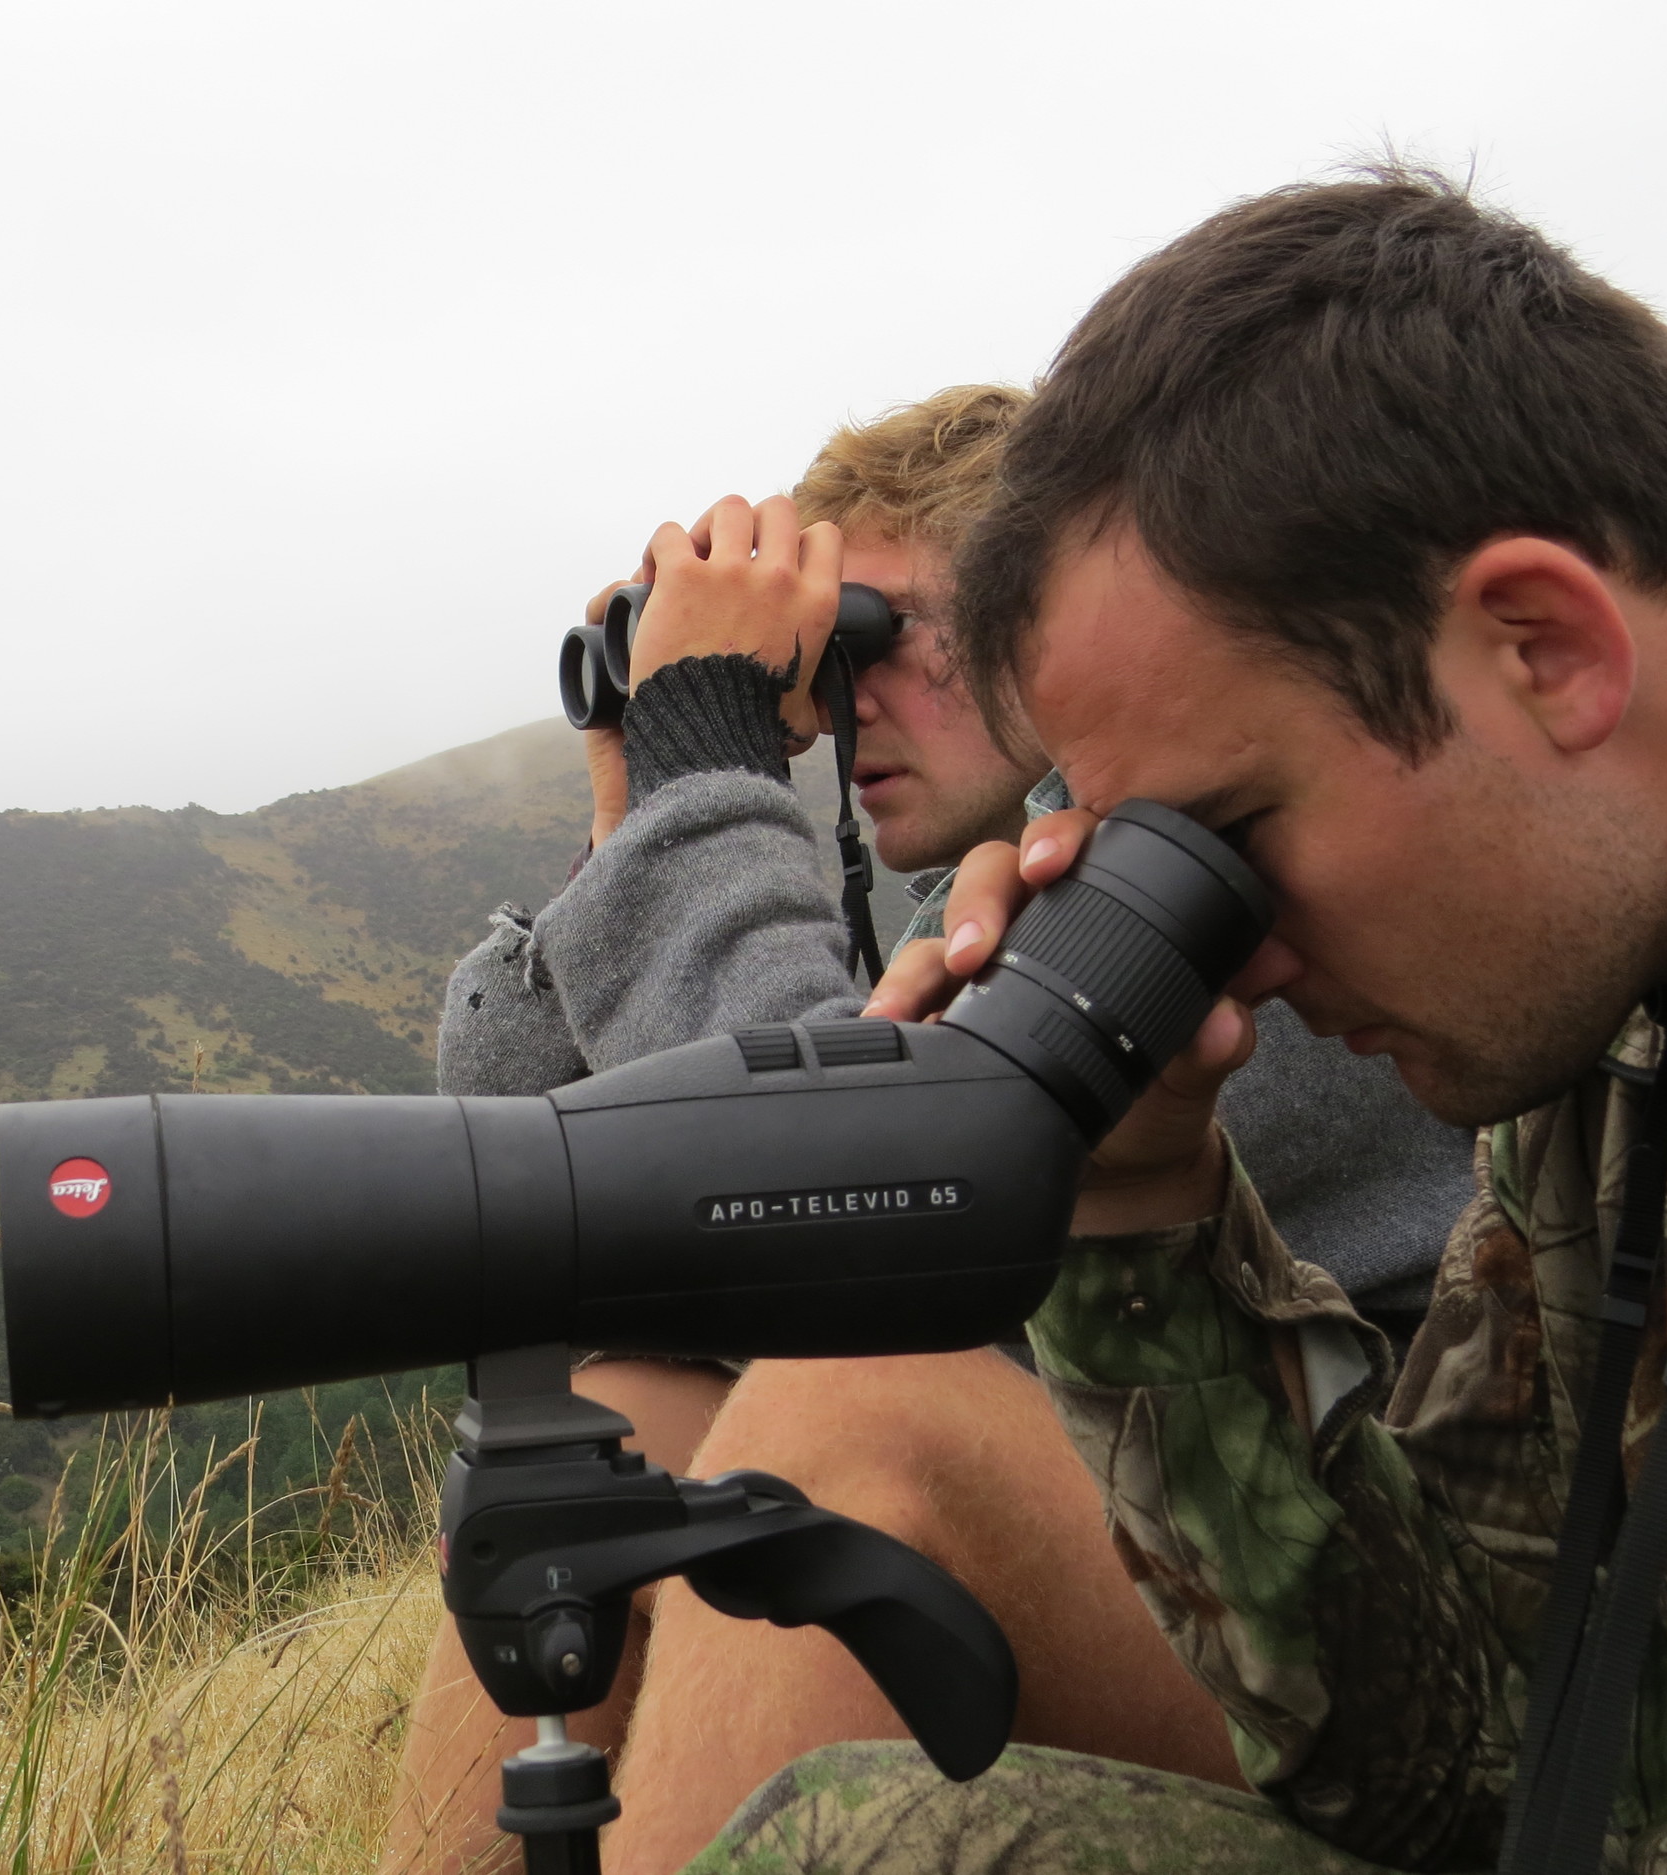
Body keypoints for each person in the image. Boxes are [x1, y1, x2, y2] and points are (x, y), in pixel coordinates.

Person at [677, 172, 1667, 1875]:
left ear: (1544, 648)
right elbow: (1446, 1759)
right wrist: (1139, 1199)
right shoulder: (1618, 1001)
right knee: (846, 1844)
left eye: (1230, 840)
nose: (1235, 967)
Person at [383, 387, 1476, 1875]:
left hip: (1393, 1590)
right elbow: (537, 1149)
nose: (841, 701)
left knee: (852, 1421)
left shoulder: (1178, 885)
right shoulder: (959, 907)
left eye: (876, 633)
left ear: (1055, 619)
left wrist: (712, 779)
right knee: (619, 1416)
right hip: (1172, 1539)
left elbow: (833, 1210)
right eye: (824, 655)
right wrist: (638, 802)